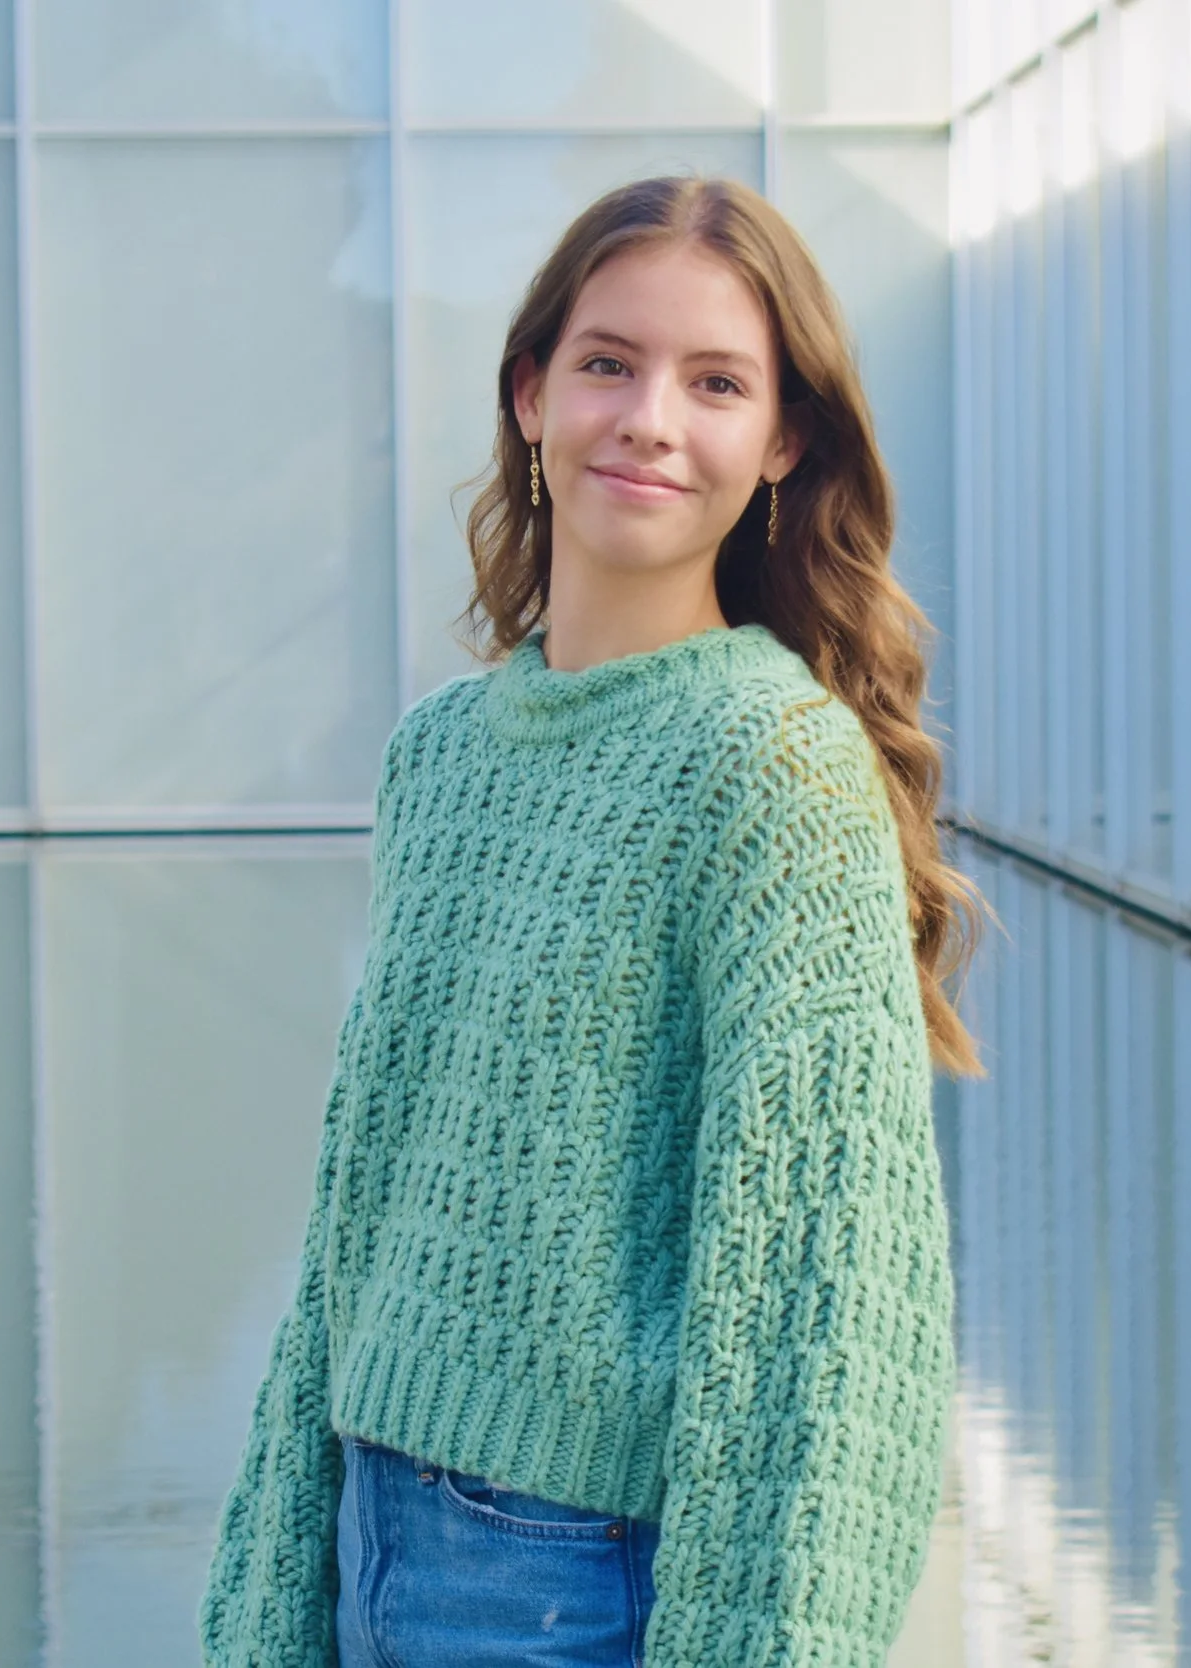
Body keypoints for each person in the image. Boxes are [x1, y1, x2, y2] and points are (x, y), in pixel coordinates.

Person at [198, 171, 992, 1668]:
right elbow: (358, 1211)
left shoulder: (773, 764)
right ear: (529, 394)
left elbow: (826, 1292)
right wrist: (278, 1574)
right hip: (367, 1527)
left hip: (575, 1584)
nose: (650, 419)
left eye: (716, 383)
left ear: (781, 444)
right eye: (608, 363)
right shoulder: (440, 754)